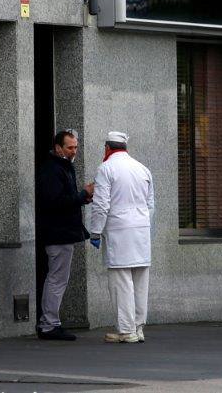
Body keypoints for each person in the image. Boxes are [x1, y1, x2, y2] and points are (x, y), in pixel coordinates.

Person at [87, 131, 154, 344]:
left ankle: (126, 330)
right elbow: (151, 205)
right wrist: (145, 228)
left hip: (119, 231)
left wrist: (95, 230)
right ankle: (138, 327)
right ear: (125, 147)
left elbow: (101, 204)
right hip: (141, 230)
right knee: (140, 281)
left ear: (107, 148)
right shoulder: (142, 168)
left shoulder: (106, 169)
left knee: (121, 281)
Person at [36, 129, 94, 341]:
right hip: (58, 233)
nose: (73, 151)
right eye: (70, 147)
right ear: (58, 147)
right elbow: (55, 202)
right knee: (57, 278)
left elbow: (63, 199)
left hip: (62, 232)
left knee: (58, 277)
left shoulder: (62, 167)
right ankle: (49, 324)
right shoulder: (53, 170)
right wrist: (82, 194)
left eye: (76, 147)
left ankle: (50, 322)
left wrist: (81, 198)